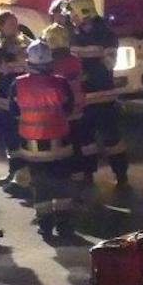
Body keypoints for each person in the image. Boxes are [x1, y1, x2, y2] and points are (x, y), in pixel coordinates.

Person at [11, 40, 78, 241]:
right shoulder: (61, 83)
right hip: (60, 147)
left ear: (29, 62)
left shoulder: (18, 84)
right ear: (50, 62)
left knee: (40, 187)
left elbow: (14, 112)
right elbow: (68, 109)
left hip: (32, 149)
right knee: (62, 186)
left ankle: (45, 226)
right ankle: (64, 226)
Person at [67, 0, 129, 187]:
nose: (71, 17)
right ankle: (89, 174)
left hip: (102, 96)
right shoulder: (74, 34)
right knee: (86, 141)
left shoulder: (106, 35)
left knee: (112, 139)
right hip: (85, 97)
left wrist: (87, 72)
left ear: (82, 13)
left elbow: (110, 63)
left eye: (73, 13)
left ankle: (121, 175)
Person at [0, 11, 33, 191]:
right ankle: (14, 172)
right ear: (2, 26)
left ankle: (24, 177)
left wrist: (17, 53)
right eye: (10, 23)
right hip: (4, 99)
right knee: (9, 138)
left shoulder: (24, 41)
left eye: (15, 23)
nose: (14, 26)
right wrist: (0, 52)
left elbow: (32, 55)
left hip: (22, 99)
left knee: (24, 138)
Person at [39, 23, 89, 193]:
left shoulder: (53, 64)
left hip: (61, 111)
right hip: (77, 107)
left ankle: (65, 177)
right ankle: (80, 176)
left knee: (64, 144)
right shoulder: (74, 60)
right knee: (77, 143)